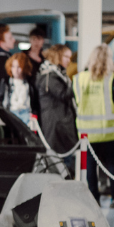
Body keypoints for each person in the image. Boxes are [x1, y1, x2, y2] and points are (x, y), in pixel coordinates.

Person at [74, 43, 114, 208]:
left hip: (87, 131)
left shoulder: (79, 79)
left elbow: (74, 101)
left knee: (91, 164)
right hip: (109, 130)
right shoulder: (110, 79)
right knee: (113, 163)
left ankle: (93, 199)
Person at [36, 44, 78, 174]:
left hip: (59, 125)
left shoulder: (55, 75)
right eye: (66, 56)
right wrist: (77, 82)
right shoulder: (50, 77)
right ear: (58, 56)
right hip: (57, 126)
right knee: (62, 164)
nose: (69, 60)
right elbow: (63, 95)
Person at [4, 52, 33, 124]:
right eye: (13, 66)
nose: (16, 70)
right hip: (11, 113)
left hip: (26, 114)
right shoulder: (7, 83)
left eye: (19, 67)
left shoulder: (29, 84)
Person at [25, 25, 47, 114]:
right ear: (30, 40)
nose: (36, 42)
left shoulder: (46, 58)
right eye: (34, 39)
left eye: (39, 39)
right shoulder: (24, 56)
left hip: (42, 94)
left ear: (43, 41)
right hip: (28, 93)